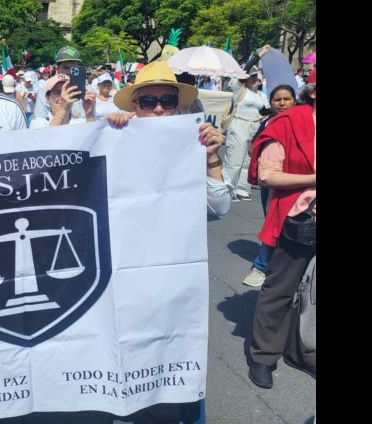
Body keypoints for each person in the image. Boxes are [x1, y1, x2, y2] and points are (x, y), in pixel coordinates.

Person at [105, 61, 232, 423]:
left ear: (179, 105)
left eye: (166, 100)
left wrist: (211, 158)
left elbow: (220, 206)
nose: (159, 108)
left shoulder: (194, 142)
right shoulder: (117, 138)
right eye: (148, 102)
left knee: (181, 361)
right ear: (134, 107)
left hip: (175, 279)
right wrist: (108, 131)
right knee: (127, 359)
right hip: (127, 278)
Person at [246, 83, 316, 389]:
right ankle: (264, 355)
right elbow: (267, 176)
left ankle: (305, 349)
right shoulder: (288, 122)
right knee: (280, 289)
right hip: (298, 217)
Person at [242, 84, 297, 288]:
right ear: (271, 103)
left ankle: (265, 265)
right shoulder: (267, 123)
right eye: (277, 100)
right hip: (270, 180)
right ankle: (265, 265)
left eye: (287, 99)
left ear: (295, 100)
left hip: (295, 181)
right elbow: (254, 145)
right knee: (272, 222)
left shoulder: (304, 122)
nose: (282, 103)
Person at [221, 66, 269, 202]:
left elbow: (266, 110)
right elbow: (239, 77)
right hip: (239, 124)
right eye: (251, 76)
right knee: (234, 159)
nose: (254, 79)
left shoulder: (261, 95)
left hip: (254, 126)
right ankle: (228, 189)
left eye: (256, 77)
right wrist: (255, 58)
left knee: (248, 159)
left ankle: (242, 188)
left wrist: (263, 116)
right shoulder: (239, 91)